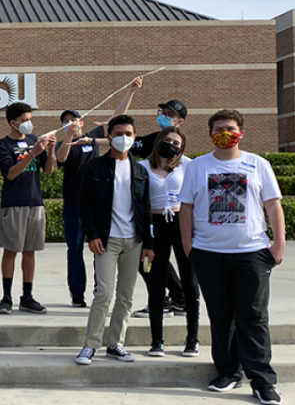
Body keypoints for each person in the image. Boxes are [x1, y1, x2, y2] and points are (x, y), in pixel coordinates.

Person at [180, 109, 286, 405]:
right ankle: (227, 372)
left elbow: (273, 206)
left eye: (230, 128)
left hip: (251, 252)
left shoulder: (258, 164)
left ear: (241, 131)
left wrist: (279, 244)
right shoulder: (198, 166)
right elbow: (186, 208)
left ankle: (262, 381)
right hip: (209, 253)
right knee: (221, 316)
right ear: (210, 133)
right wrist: (189, 246)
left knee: (253, 316)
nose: (224, 133)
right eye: (218, 128)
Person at [54, 76, 141, 307]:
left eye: (75, 120)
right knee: (74, 249)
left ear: (82, 122)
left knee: (99, 248)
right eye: (66, 121)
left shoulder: (92, 138)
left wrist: (129, 92)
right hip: (73, 204)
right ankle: (77, 293)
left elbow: (115, 121)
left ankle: (98, 291)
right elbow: (60, 158)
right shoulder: (63, 143)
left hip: (97, 205)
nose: (71, 123)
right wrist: (69, 135)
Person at [76, 115, 154, 365]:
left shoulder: (140, 169)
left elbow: (147, 208)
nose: (124, 138)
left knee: (126, 295)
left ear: (134, 136)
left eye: (129, 134)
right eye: (118, 133)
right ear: (109, 137)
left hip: (134, 241)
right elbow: (85, 204)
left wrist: (149, 245)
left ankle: (116, 344)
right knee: (103, 293)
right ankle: (91, 345)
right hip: (106, 240)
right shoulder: (95, 167)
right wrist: (92, 234)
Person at [128, 94, 191, 319]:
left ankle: (177, 298)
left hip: (175, 218)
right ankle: (165, 299)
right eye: (162, 113)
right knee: (147, 259)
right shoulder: (148, 150)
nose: (169, 145)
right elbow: (122, 140)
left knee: (162, 261)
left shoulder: (186, 163)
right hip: (150, 217)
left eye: (170, 115)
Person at [0, 102, 58, 314]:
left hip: (35, 202)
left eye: (30, 119)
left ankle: (27, 296)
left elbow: (49, 171)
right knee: (11, 250)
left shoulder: (34, 140)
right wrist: (32, 154)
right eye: (24, 120)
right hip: (14, 203)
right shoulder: (3, 145)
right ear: (13, 122)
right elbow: (11, 174)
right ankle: (6, 297)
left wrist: (49, 150)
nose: (28, 124)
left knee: (30, 251)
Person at [143, 127, 201, 357]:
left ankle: (192, 339)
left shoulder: (188, 165)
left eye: (177, 143)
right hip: (155, 224)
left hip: (181, 223)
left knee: (189, 281)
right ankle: (157, 340)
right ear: (158, 141)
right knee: (156, 283)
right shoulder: (142, 167)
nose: (172, 145)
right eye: (167, 140)